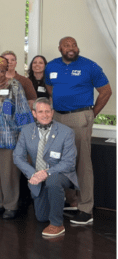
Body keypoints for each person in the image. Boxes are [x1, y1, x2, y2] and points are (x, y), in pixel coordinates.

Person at [45, 36, 112, 225]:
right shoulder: (51, 66)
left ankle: (85, 209)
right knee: (59, 160)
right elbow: (50, 88)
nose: (71, 48)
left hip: (80, 116)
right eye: (67, 45)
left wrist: (92, 114)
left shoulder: (90, 66)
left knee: (82, 163)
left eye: (74, 44)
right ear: (60, 48)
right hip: (58, 117)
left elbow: (106, 91)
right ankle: (71, 201)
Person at [14, 98, 79, 238]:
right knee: (42, 217)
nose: (44, 115)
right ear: (34, 113)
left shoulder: (66, 132)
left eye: (47, 111)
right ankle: (54, 204)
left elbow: (69, 162)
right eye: (40, 112)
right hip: (36, 176)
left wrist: (46, 173)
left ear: (52, 112)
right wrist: (33, 174)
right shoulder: (26, 131)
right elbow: (17, 157)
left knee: (53, 181)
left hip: (60, 174)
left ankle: (57, 224)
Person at [0, 56, 34, 220]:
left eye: (1, 71)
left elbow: (23, 110)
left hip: (9, 137)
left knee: (8, 173)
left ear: (6, 71)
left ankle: (11, 205)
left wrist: (24, 135)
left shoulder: (15, 86)